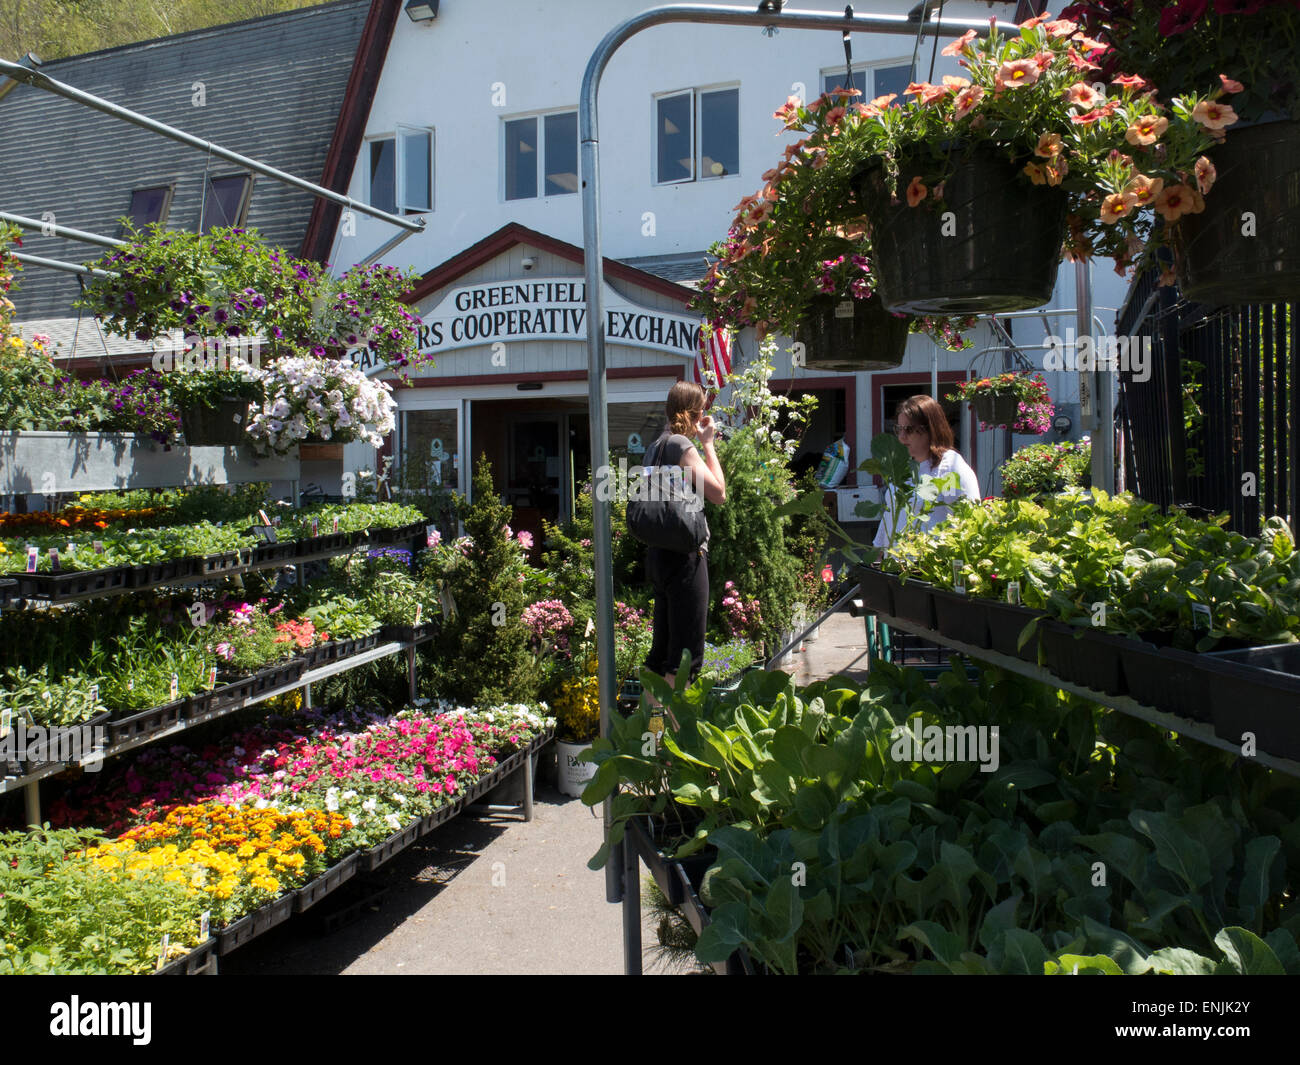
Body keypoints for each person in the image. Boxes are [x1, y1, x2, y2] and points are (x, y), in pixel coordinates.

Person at [642, 380, 726, 690]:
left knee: (659, 656)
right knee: (684, 663)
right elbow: (718, 493)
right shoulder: (681, 447)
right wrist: (708, 444)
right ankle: (673, 738)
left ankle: (650, 736)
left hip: (658, 557)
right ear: (695, 414)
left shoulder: (654, 448)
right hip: (685, 559)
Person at [873, 394, 980, 550]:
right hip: (896, 566)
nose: (902, 437)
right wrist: (876, 550)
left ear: (931, 430)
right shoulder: (903, 466)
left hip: (929, 568)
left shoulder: (949, 468)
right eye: (898, 429)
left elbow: (967, 521)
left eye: (909, 430)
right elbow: (891, 514)